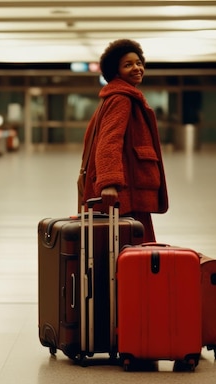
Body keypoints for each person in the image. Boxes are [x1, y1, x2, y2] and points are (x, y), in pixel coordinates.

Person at [78, 39, 168, 243]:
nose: (137, 68)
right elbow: (109, 141)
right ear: (116, 72)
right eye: (128, 65)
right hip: (125, 192)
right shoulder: (121, 99)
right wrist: (109, 183)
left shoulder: (117, 96)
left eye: (138, 62)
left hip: (129, 189)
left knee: (127, 248)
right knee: (131, 249)